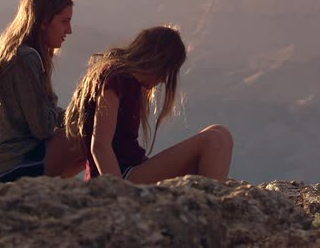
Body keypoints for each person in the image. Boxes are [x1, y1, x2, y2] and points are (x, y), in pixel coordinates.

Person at [65, 25, 234, 184]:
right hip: (119, 175)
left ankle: (210, 204)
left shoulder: (128, 82)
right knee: (213, 140)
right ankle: (211, 209)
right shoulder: (115, 79)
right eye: (167, 71)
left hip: (132, 169)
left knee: (220, 133)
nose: (164, 79)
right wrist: (118, 193)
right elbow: (100, 146)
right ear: (158, 61)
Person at [0, 0, 84, 183]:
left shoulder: (11, 53)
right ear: (43, 21)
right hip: (18, 164)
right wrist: (76, 118)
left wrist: (69, 115)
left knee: (86, 125)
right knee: (93, 132)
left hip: (3, 164)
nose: (69, 30)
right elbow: (42, 127)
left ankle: (54, 188)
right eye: (64, 21)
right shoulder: (25, 58)